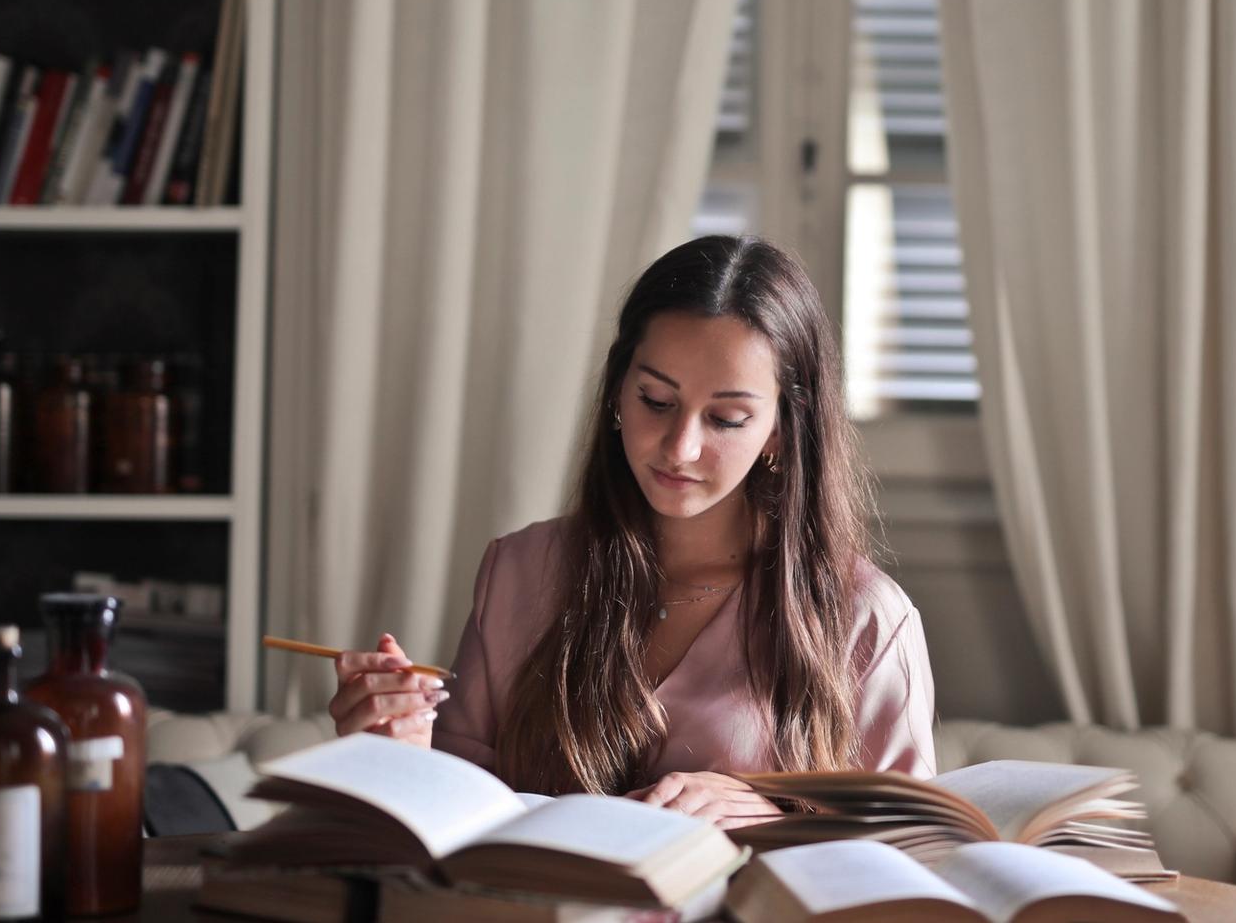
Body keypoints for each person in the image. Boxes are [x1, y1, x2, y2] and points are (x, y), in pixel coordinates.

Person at [328, 235, 935, 827]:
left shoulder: (864, 618)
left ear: (780, 430)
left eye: (727, 418)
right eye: (656, 400)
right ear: (619, 391)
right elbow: (451, 830)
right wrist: (394, 760)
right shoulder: (519, 573)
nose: (681, 447)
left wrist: (774, 818)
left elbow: (909, 864)